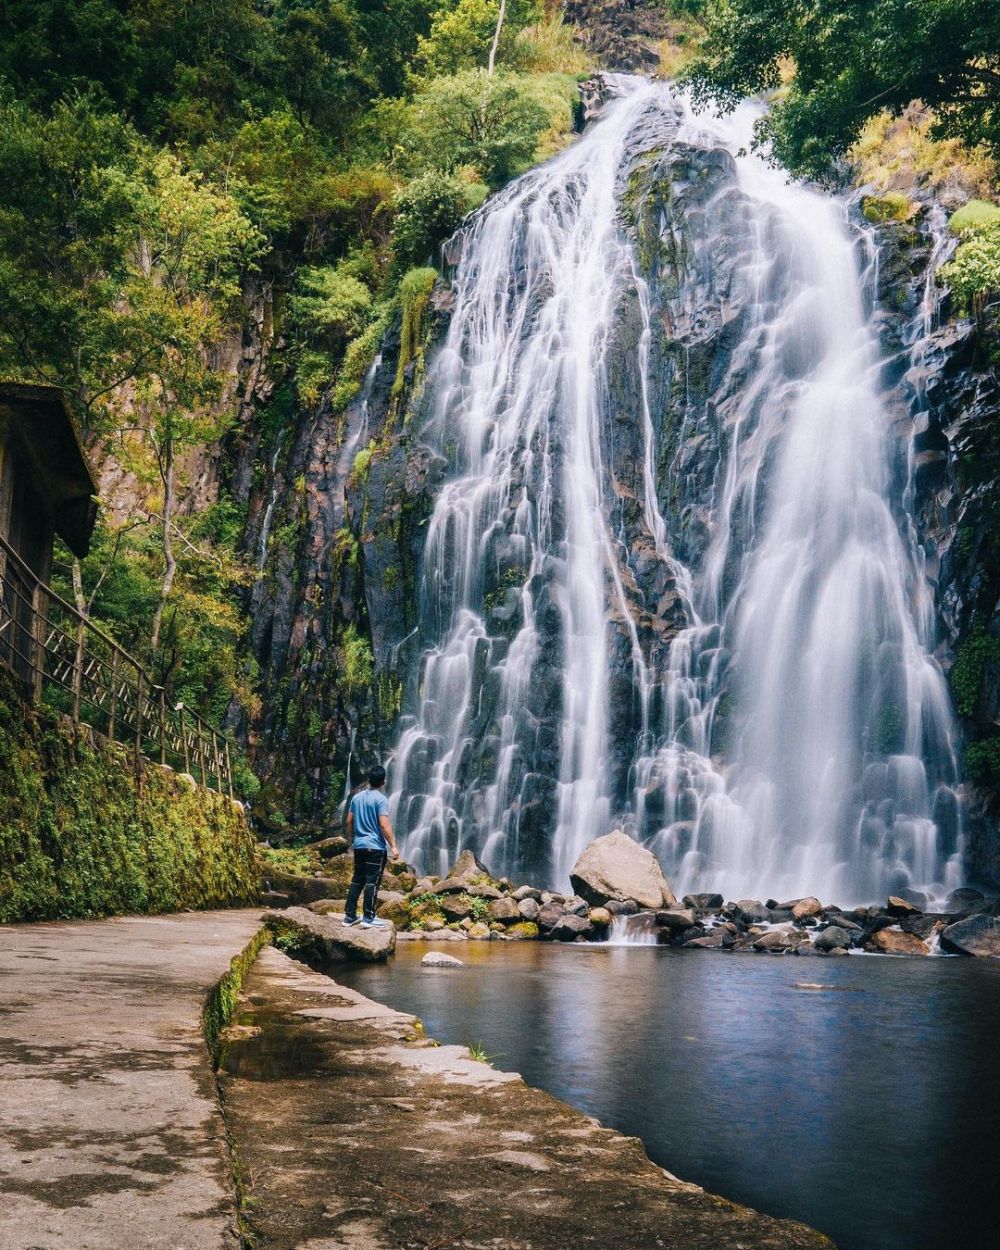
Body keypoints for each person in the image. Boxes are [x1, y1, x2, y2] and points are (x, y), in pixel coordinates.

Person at [343, 764, 400, 927]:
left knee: (357, 880)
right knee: (372, 882)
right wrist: (394, 846)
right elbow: (383, 824)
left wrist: (352, 839)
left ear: (368, 780)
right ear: (383, 781)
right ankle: (369, 917)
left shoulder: (356, 797)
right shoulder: (381, 799)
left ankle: (350, 916)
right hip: (375, 847)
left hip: (359, 846)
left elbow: (349, 821)